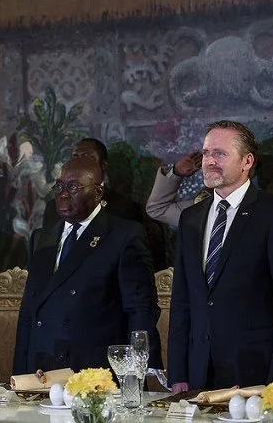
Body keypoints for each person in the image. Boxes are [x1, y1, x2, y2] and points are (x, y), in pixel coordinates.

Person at [168, 120, 273, 392]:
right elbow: (182, 300)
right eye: (206, 153)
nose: (209, 161)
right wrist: (178, 373)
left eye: (219, 154)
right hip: (198, 373)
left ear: (247, 161)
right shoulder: (191, 218)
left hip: (254, 374)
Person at [13, 157, 163, 374]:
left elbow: (140, 310)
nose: (63, 194)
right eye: (60, 186)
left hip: (93, 372)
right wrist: (19, 373)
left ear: (98, 193)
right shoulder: (41, 238)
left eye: (73, 187)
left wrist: (137, 372)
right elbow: (29, 311)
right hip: (41, 369)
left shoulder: (123, 235)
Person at [40, 138, 142, 232]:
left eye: (86, 157)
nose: (78, 162)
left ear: (103, 165)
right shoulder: (53, 209)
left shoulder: (123, 207)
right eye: (75, 157)